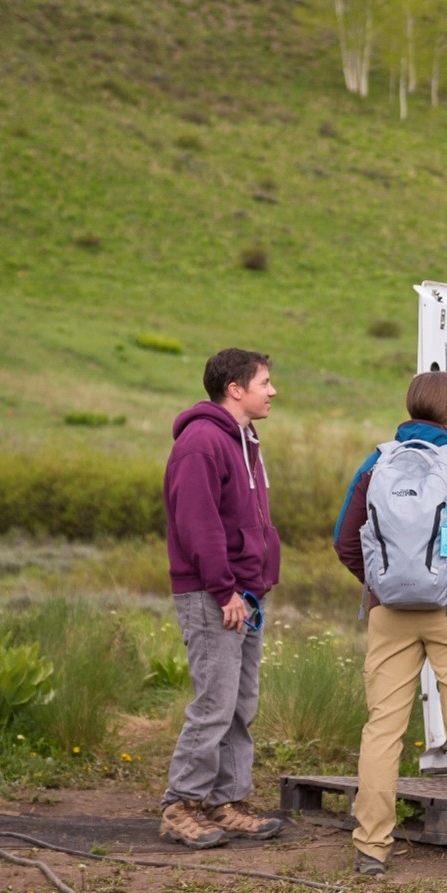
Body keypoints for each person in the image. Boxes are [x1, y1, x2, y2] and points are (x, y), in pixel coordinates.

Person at [333, 370, 447, 877]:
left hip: (390, 612)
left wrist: (382, 584)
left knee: (383, 730)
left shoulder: (379, 461)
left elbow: (344, 540)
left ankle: (370, 848)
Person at [158, 348, 284, 849]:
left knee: (239, 703)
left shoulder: (244, 439)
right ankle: (179, 805)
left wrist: (250, 586)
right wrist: (224, 588)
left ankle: (225, 802)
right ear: (235, 388)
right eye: (265, 382)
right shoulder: (202, 442)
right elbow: (198, 524)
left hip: (246, 593)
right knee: (214, 702)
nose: (272, 391)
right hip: (218, 595)